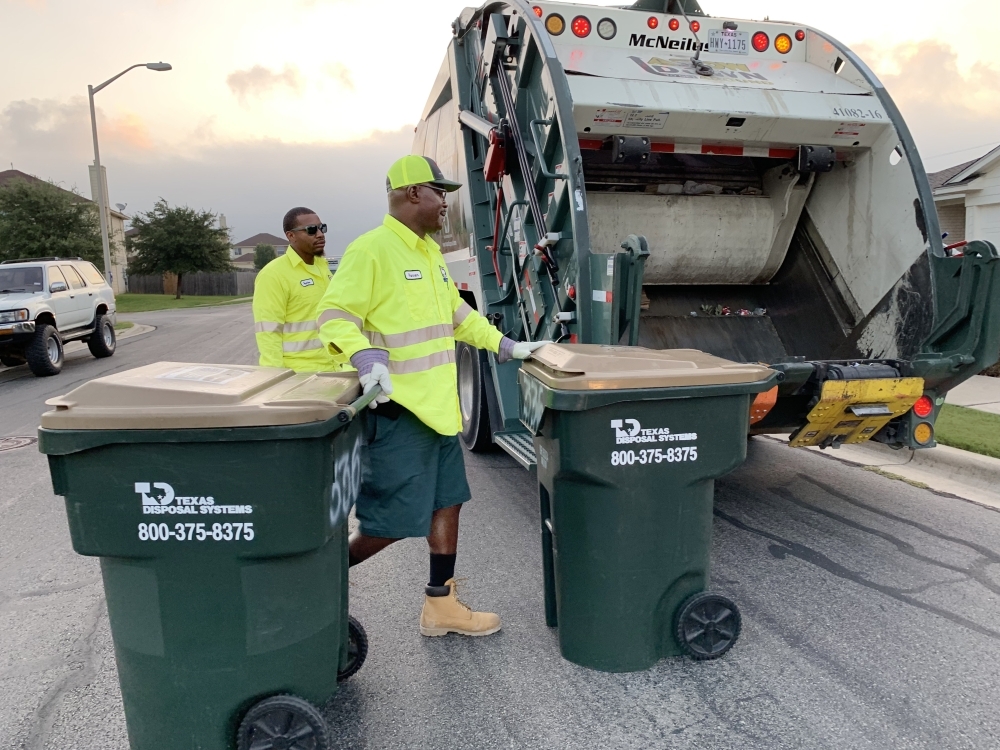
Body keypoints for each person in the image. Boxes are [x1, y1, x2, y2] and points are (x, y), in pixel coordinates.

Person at [316, 155, 547, 637]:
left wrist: (505, 346)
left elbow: (457, 318)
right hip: (400, 415)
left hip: (440, 414)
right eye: (439, 192)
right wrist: (365, 358)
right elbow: (334, 316)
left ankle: (441, 606)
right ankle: (308, 580)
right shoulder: (372, 250)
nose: (447, 201)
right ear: (412, 193)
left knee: (448, 503)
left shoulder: (428, 253)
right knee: (390, 524)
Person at [253, 207, 340, 371]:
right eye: (311, 230)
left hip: (334, 368)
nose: (320, 234)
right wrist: (275, 378)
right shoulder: (273, 275)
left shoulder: (323, 267)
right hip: (300, 375)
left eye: (322, 228)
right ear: (291, 236)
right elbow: (268, 333)